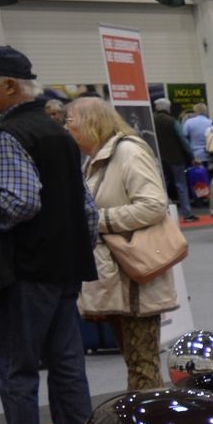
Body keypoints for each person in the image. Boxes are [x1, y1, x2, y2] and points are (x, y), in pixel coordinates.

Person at [0, 45, 97, 424]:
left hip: (26, 269)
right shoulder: (58, 133)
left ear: (8, 86)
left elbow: (22, 202)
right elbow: (87, 209)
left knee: (17, 369)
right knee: (67, 367)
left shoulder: (10, 134)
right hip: (66, 267)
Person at [68, 97, 176, 392]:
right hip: (117, 276)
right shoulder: (96, 159)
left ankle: (151, 417)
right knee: (136, 363)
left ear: (91, 122)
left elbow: (154, 205)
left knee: (143, 368)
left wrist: (98, 220)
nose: (66, 128)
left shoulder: (128, 152)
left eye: (70, 121)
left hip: (136, 276)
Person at [152, 96, 197, 222]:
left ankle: (162, 214)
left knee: (162, 186)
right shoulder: (172, 121)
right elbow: (183, 140)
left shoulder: (152, 121)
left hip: (159, 159)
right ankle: (187, 214)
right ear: (167, 108)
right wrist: (191, 156)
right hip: (176, 158)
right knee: (181, 185)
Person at [182, 103, 211, 169]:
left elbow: (184, 137)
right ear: (205, 111)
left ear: (195, 111)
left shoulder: (189, 122)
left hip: (195, 156)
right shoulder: (211, 122)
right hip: (209, 155)